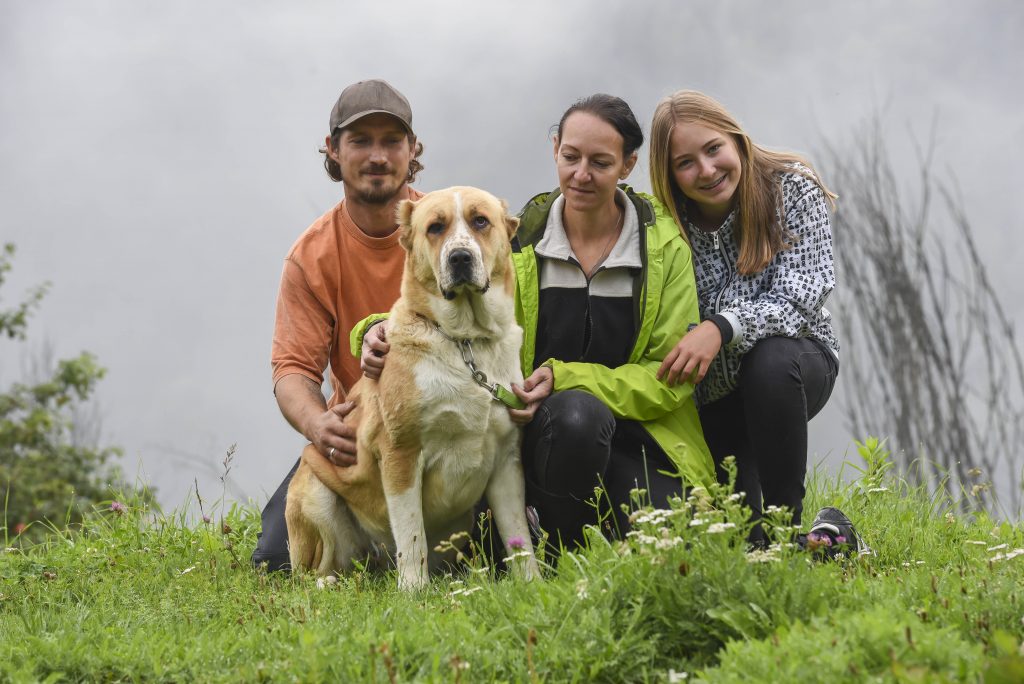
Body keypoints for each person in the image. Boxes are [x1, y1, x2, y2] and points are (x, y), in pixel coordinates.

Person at [361, 94, 715, 553]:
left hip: (645, 435)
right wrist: (369, 328)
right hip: (551, 432)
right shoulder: (519, 236)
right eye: (570, 157)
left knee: (679, 548)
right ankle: (554, 549)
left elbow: (671, 376)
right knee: (576, 418)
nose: (581, 174)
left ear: (628, 165)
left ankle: (566, 534)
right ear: (555, 150)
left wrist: (566, 377)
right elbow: (439, 306)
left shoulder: (663, 247)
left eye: (600, 162)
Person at [648, 89, 859, 550]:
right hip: (712, 400)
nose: (706, 170)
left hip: (795, 365)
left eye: (713, 149)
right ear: (670, 175)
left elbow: (806, 289)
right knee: (741, 542)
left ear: (735, 139)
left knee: (769, 359)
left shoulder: (790, 188)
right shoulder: (664, 227)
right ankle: (830, 536)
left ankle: (788, 529)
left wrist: (721, 327)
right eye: (685, 163)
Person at [251, 79, 424, 572]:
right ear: (333, 150)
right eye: (360, 141)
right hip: (360, 431)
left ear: (414, 150)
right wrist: (317, 423)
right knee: (275, 561)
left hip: (443, 424)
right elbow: (292, 368)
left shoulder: (444, 225)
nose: (377, 156)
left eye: (392, 141)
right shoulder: (311, 257)